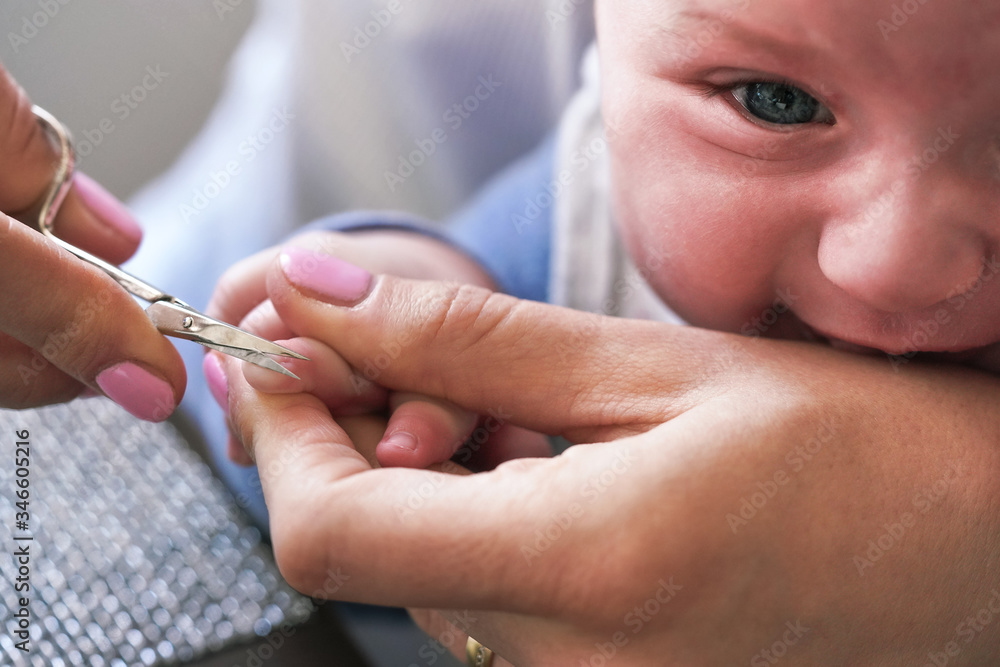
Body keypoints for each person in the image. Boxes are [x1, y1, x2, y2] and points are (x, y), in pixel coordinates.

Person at [204, 0, 1000, 663]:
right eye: (774, 101)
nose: (893, 266)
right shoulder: (587, 226)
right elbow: (253, 529)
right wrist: (378, 350)